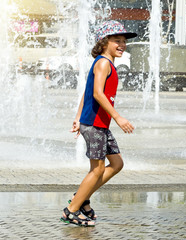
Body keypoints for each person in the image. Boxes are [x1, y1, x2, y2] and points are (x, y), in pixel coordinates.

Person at [60, 20, 137, 227]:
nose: (122, 44)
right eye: (117, 40)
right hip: (95, 125)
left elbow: (86, 93)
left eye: (123, 41)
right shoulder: (103, 63)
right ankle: (71, 210)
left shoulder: (106, 63)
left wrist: (77, 118)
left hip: (98, 124)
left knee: (117, 164)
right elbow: (97, 94)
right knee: (97, 170)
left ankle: (82, 197)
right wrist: (118, 118)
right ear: (104, 42)